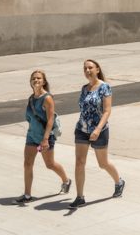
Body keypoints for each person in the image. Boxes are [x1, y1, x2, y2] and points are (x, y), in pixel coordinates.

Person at [70, 59, 125, 209]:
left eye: (90, 68)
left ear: (97, 69)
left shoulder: (104, 87)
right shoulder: (84, 88)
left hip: (99, 130)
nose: (87, 70)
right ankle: (80, 197)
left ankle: (119, 182)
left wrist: (97, 129)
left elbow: (107, 111)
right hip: (82, 129)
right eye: (85, 68)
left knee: (103, 164)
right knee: (79, 163)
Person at [15, 70, 71, 204]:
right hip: (32, 136)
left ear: (44, 81)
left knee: (49, 164)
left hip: (44, 137)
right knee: (27, 164)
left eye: (39, 78)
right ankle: (27, 195)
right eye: (33, 78)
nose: (36, 80)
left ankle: (66, 180)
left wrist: (45, 139)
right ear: (30, 82)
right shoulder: (31, 98)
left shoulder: (47, 98)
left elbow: (50, 120)